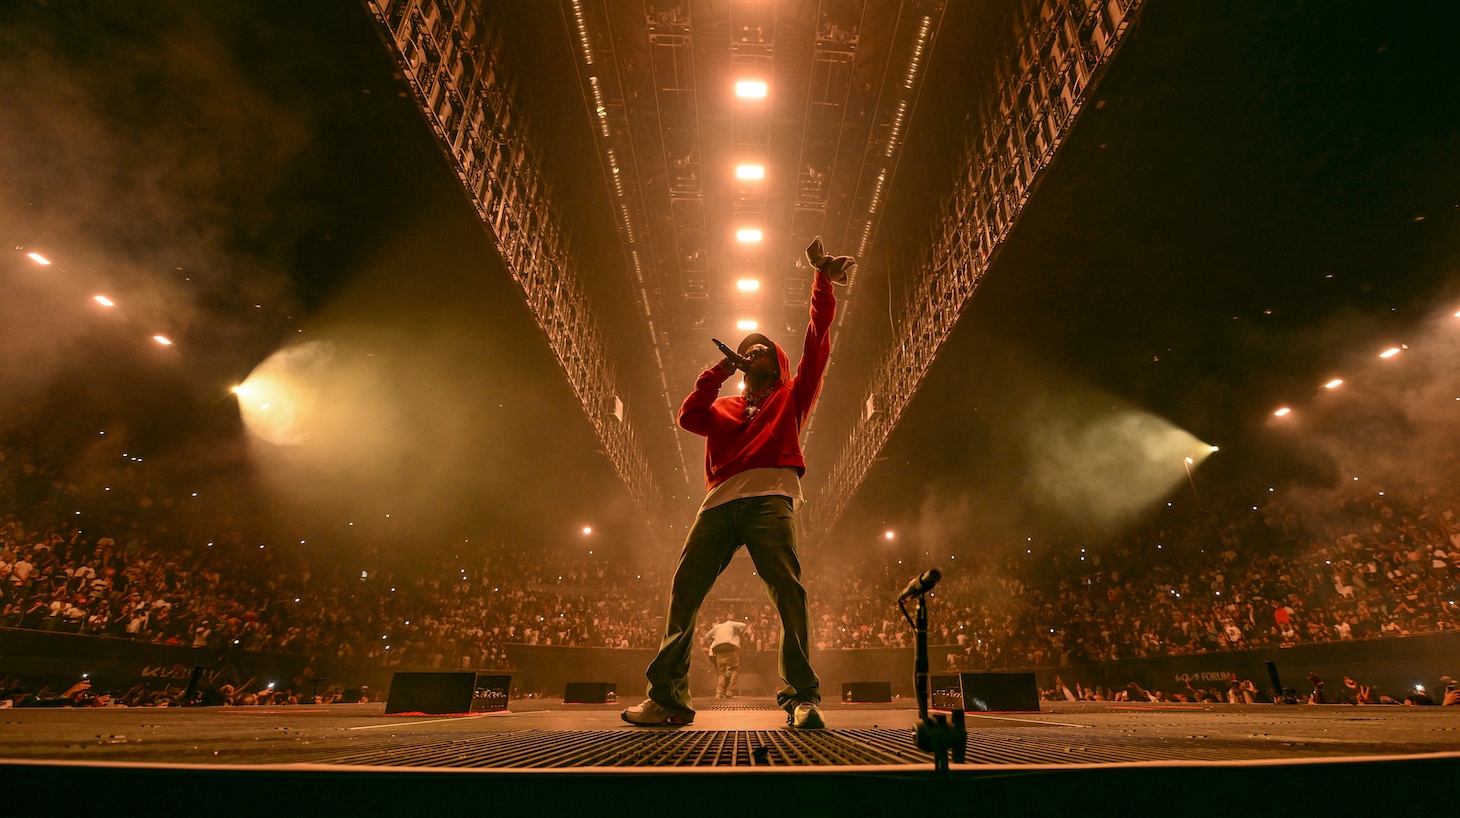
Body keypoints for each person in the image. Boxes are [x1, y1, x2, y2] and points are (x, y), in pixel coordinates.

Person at [623, 237, 851, 729]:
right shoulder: (724, 407)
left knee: (787, 592)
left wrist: (822, 281)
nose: (755, 351)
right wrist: (720, 369)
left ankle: (803, 697)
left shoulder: (792, 396)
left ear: (779, 362)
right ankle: (667, 699)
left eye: (763, 348)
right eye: (747, 350)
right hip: (719, 503)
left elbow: (817, 337)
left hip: (771, 497)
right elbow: (689, 416)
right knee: (685, 589)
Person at [704, 618, 749, 698]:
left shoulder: (716, 627)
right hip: (728, 649)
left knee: (721, 673)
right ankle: (729, 691)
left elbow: (706, 636)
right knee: (735, 668)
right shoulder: (730, 623)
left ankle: (719, 693)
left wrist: (715, 637)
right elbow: (743, 625)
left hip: (718, 652)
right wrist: (741, 631)